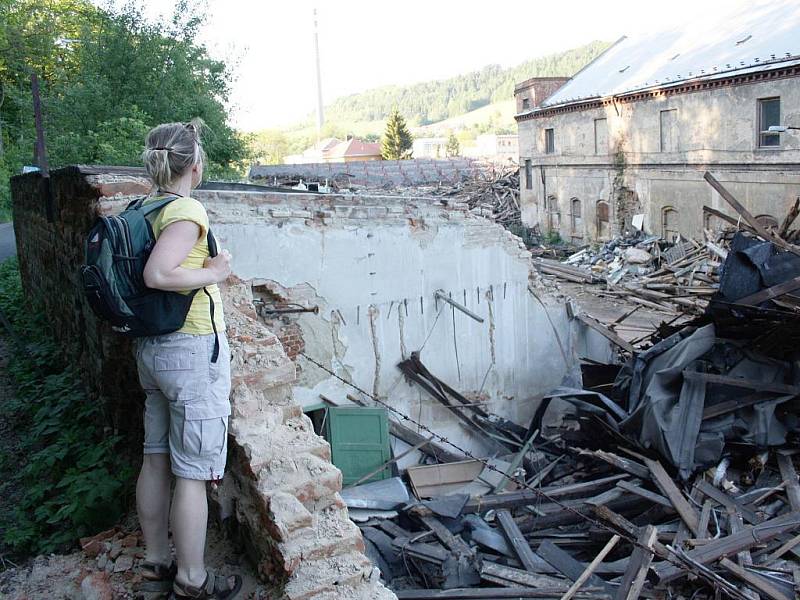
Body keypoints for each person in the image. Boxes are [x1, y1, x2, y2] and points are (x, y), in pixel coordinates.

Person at [135, 120, 241, 600]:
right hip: (190, 351)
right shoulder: (185, 208)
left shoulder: (142, 207)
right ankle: (192, 580)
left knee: (155, 459)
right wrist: (213, 272)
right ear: (194, 164)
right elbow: (159, 273)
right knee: (194, 473)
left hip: (152, 350)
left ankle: (157, 564)